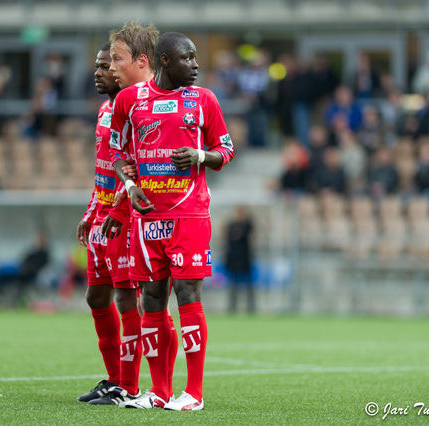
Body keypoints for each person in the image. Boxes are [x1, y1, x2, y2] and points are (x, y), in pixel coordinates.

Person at [110, 32, 235, 411]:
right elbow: (117, 151)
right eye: (189, 58)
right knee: (151, 299)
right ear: (165, 60)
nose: (196, 65)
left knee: (187, 295)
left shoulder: (204, 100)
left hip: (189, 215)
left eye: (196, 58)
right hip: (147, 217)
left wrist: (199, 155)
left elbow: (226, 149)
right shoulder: (130, 101)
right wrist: (130, 185)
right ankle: (160, 391)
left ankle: (193, 393)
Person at [75, 40, 151, 406]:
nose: (99, 72)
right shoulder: (107, 110)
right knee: (95, 296)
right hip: (101, 214)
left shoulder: (137, 109)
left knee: (126, 300)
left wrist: (119, 211)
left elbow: (136, 168)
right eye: (97, 65)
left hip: (123, 218)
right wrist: (91, 212)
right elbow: (103, 170)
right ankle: (115, 378)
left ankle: (129, 385)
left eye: (107, 65)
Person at [224, 206, 255, 313]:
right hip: (233, 259)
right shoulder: (231, 225)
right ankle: (232, 308)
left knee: (249, 285)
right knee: (232, 285)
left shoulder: (248, 225)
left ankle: (251, 308)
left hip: (245, 258)